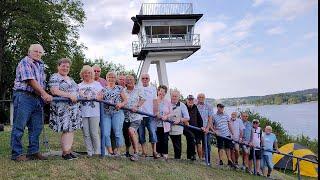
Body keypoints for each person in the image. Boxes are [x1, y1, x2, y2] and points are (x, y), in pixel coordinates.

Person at [11, 44, 53, 161]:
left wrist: (43, 95)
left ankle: (33, 152)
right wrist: (44, 94)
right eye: (35, 51)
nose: (38, 54)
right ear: (29, 52)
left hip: (36, 98)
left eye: (40, 52)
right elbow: (30, 80)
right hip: (23, 96)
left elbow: (41, 84)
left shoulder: (40, 65)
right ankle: (16, 154)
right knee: (19, 126)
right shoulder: (25, 62)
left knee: (36, 127)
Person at [49, 58, 82, 160]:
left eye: (67, 67)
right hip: (63, 108)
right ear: (58, 66)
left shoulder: (70, 79)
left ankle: (68, 151)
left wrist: (83, 96)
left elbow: (77, 91)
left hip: (73, 108)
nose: (65, 68)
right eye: (63, 66)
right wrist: (69, 95)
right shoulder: (55, 77)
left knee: (71, 130)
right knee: (67, 129)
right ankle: (65, 153)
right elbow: (54, 91)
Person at [100, 72, 127, 156]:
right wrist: (99, 98)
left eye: (113, 77)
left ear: (115, 79)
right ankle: (110, 151)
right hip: (106, 113)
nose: (111, 79)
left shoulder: (119, 88)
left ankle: (118, 150)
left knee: (117, 132)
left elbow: (125, 100)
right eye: (109, 77)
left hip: (117, 113)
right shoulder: (103, 89)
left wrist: (121, 104)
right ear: (106, 78)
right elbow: (99, 98)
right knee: (106, 133)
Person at [78, 65, 103, 157]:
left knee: (94, 132)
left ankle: (97, 152)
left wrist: (95, 97)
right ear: (82, 74)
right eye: (85, 73)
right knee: (86, 133)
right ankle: (89, 152)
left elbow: (101, 96)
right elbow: (77, 96)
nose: (87, 74)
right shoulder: (79, 86)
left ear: (92, 74)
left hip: (94, 112)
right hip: (83, 112)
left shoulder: (97, 84)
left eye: (89, 72)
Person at [123, 75, 145, 161]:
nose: (129, 81)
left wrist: (137, 106)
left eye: (131, 80)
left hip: (136, 116)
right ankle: (127, 152)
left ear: (134, 81)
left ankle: (136, 153)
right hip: (125, 116)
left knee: (131, 131)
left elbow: (143, 99)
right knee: (126, 135)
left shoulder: (138, 89)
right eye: (127, 80)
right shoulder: (123, 91)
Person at [138, 73, 158, 158]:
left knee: (153, 133)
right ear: (141, 79)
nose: (145, 80)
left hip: (150, 115)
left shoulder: (153, 88)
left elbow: (155, 101)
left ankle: (154, 151)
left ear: (149, 79)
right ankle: (144, 152)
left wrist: (155, 112)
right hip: (140, 115)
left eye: (146, 78)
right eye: (143, 78)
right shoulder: (138, 88)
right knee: (141, 134)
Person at [212, 103, 236, 168]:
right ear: (217, 108)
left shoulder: (226, 115)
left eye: (223, 107)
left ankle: (229, 160)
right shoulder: (214, 116)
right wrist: (214, 131)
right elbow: (211, 125)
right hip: (219, 134)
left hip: (227, 134)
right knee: (220, 148)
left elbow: (229, 124)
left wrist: (232, 133)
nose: (222, 108)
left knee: (228, 147)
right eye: (221, 107)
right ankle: (220, 160)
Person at [169, 90, 190, 159]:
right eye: (173, 96)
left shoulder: (182, 105)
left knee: (177, 144)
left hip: (177, 128)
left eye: (176, 96)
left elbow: (187, 117)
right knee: (164, 141)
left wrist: (180, 120)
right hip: (167, 127)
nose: (174, 97)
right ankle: (163, 155)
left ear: (178, 97)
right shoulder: (167, 103)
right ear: (170, 96)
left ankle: (177, 158)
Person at [154, 85, 172, 160]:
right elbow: (153, 110)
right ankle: (158, 152)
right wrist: (156, 114)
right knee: (157, 139)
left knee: (164, 139)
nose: (162, 93)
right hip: (156, 123)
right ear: (158, 91)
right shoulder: (154, 100)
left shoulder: (168, 102)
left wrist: (166, 117)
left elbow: (171, 112)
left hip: (165, 124)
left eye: (164, 92)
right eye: (160, 91)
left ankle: (164, 153)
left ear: (165, 93)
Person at [185, 94, 204, 160]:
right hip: (187, 128)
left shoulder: (195, 107)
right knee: (191, 139)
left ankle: (200, 158)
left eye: (191, 100)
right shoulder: (184, 107)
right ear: (186, 100)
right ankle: (191, 156)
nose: (190, 101)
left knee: (198, 143)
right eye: (189, 100)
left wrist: (201, 126)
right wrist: (184, 121)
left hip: (196, 128)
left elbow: (199, 118)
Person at [196, 93, 213, 161]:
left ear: (204, 98)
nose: (201, 98)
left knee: (207, 145)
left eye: (202, 97)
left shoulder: (209, 106)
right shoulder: (195, 106)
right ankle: (201, 158)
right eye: (199, 97)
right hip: (198, 128)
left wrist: (208, 128)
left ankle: (207, 160)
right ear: (197, 98)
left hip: (206, 128)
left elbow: (210, 118)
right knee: (198, 143)